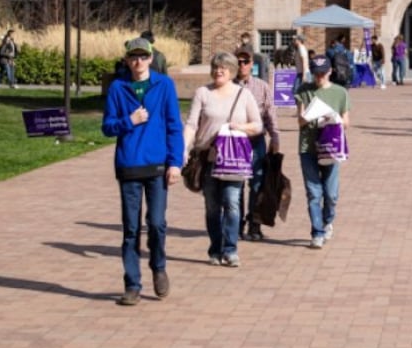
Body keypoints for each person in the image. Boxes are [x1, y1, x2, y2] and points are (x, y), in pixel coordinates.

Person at [102, 35, 183, 306]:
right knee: (131, 228)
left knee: (157, 223)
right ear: (127, 60)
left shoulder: (164, 85)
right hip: (129, 165)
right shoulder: (118, 88)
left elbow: (174, 125)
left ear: (151, 58)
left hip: (157, 165)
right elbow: (107, 127)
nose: (138, 62)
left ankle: (158, 267)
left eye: (143, 56)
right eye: (133, 57)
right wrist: (129, 120)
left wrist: (175, 163)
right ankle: (132, 284)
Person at [184, 52, 263, 268]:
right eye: (216, 67)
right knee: (212, 206)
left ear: (232, 71)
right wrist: (184, 148)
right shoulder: (203, 93)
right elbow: (191, 124)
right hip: (208, 157)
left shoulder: (243, 95)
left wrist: (240, 127)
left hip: (233, 159)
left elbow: (258, 125)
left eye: (224, 68)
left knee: (231, 203)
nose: (219, 71)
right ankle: (215, 248)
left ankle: (230, 250)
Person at [296, 53, 352, 249]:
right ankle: (317, 232)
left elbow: (346, 123)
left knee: (330, 194)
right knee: (313, 192)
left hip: (330, 147)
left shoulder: (340, 93)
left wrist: (334, 118)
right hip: (308, 147)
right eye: (316, 73)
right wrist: (314, 114)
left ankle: (328, 221)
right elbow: (300, 121)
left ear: (330, 71)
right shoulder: (304, 90)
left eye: (322, 73)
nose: (319, 77)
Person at [234, 46, 280, 242]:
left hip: (256, 141)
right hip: (234, 143)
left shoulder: (261, 86)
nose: (242, 65)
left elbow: (270, 114)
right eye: (239, 61)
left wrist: (275, 137)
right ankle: (235, 225)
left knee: (257, 183)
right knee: (235, 184)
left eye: (246, 62)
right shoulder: (228, 86)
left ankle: (254, 223)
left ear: (252, 64)